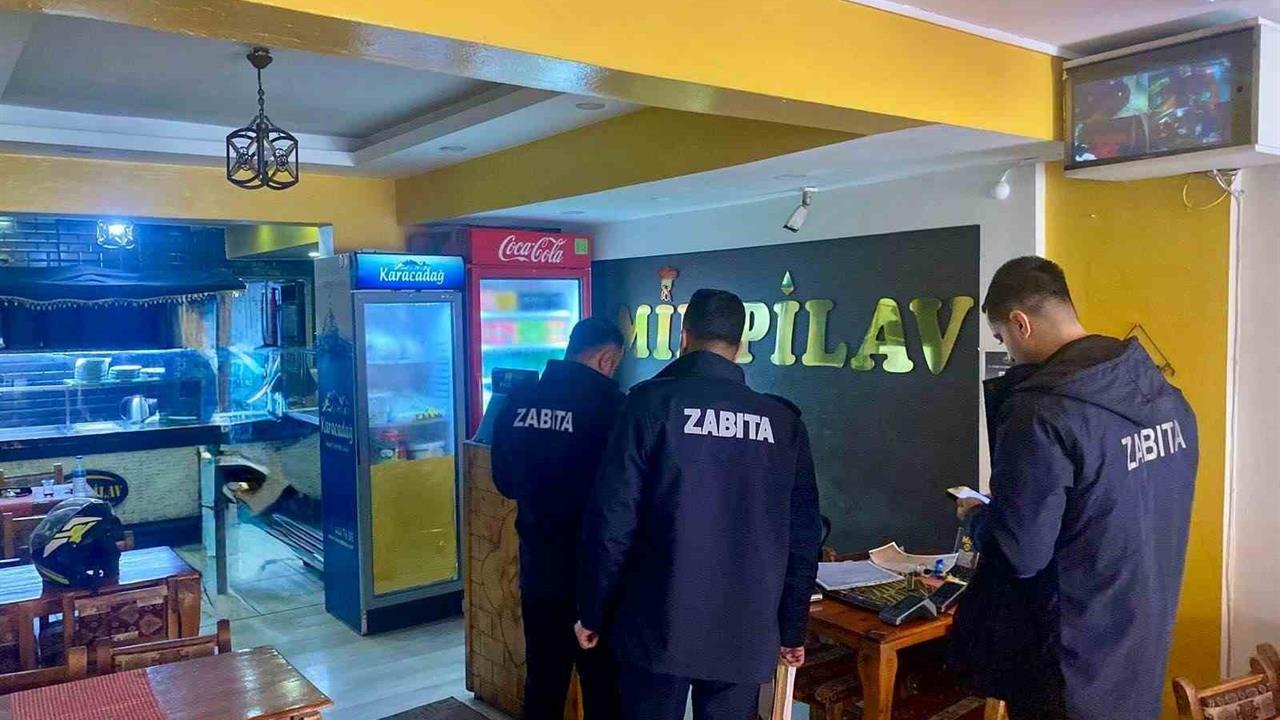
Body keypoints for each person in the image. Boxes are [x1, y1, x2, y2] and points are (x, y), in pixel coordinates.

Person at [950, 257, 1198, 720]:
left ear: (1020, 323)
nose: (1008, 351)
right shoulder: (1164, 397)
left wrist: (977, 517)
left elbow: (1022, 553)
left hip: (1071, 651)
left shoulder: (1042, 413)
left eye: (1001, 338)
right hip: (1141, 633)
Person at [577, 288, 822, 720]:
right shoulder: (784, 423)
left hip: (657, 624)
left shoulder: (649, 404)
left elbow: (612, 522)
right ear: (741, 345)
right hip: (745, 629)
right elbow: (803, 537)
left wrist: (594, 611)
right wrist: (791, 628)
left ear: (684, 336)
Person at [491, 317, 626, 720]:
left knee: (544, 681)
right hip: (594, 575)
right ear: (607, 359)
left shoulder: (519, 399)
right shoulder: (614, 408)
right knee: (602, 687)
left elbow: (505, 482)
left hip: (539, 566)